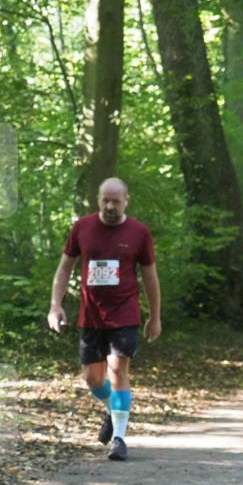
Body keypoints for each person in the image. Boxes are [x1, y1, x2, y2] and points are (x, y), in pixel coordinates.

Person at [47, 177, 161, 462]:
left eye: (116, 201)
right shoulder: (82, 228)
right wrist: (55, 306)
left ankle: (119, 439)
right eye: (105, 200)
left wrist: (155, 317)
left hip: (125, 313)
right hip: (91, 314)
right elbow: (64, 270)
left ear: (126, 201)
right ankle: (112, 409)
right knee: (93, 378)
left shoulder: (139, 233)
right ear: (98, 199)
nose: (110, 206)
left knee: (117, 369)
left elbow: (150, 276)